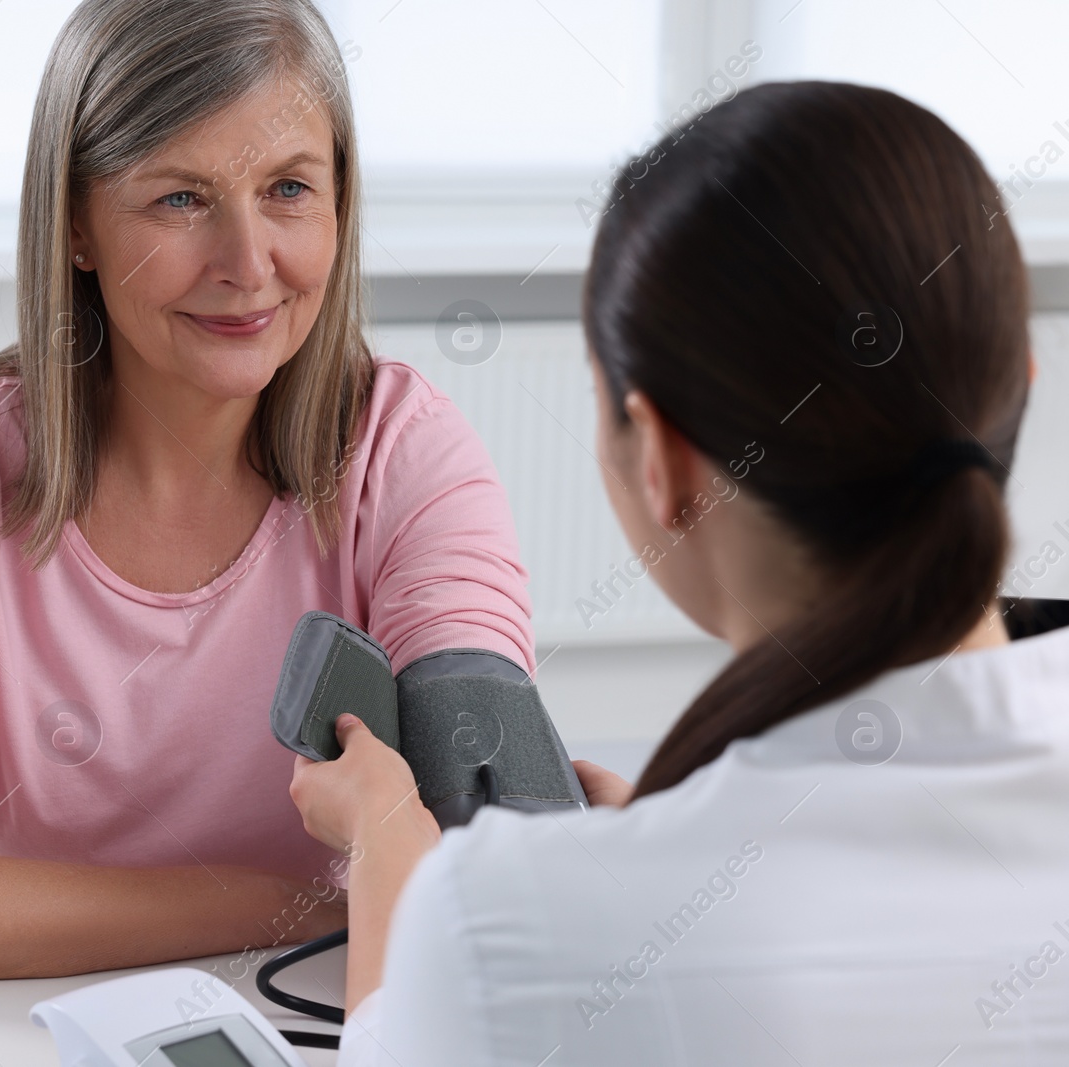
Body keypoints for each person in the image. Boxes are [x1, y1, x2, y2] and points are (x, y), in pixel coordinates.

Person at [291, 81, 1069, 1063]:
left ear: (661, 459)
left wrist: (387, 826)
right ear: (1019, 387)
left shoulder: (518, 928)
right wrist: (655, 852)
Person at [0, 0, 538, 986]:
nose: (246, 263)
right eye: (181, 199)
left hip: (344, 1009)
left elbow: (492, 818)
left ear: (340, 204)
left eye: (287, 189)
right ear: (77, 226)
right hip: (27, 1017)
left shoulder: (405, 453)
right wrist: (302, 897)